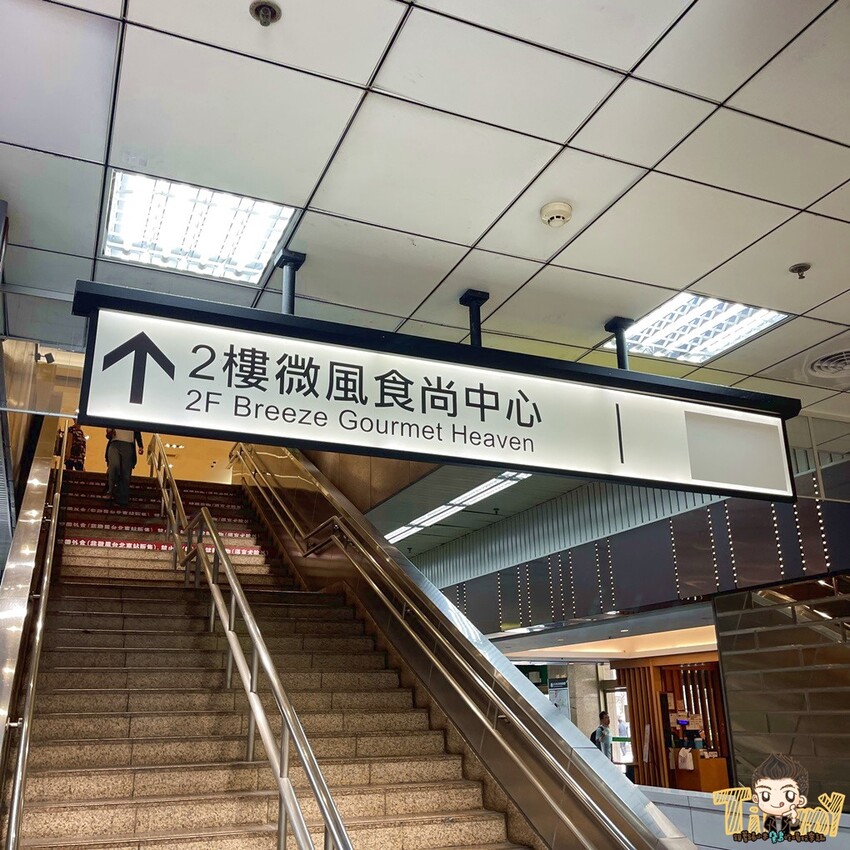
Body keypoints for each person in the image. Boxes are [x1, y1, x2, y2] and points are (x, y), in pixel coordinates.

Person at [751, 753, 808, 839]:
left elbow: (795, 830)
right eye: (765, 796)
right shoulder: (766, 820)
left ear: (801, 801)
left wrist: (793, 818)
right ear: (755, 798)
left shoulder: (793, 818)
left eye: (789, 796)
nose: (776, 802)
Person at [106, 427, 144, 507]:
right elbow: (108, 434)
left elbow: (137, 430)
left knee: (125, 473)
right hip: (115, 442)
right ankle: (111, 489)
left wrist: (140, 445)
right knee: (114, 466)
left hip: (128, 443)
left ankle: (122, 498)